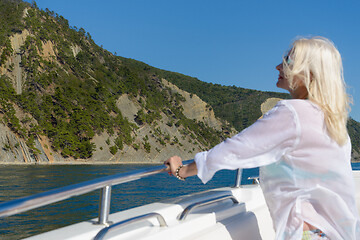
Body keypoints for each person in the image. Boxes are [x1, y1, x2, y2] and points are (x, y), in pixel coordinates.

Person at [165, 36, 360, 240]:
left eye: (288, 61)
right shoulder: (333, 122)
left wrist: (183, 170)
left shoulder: (293, 113)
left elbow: (234, 149)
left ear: (309, 72)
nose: (278, 66)